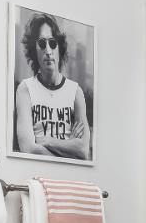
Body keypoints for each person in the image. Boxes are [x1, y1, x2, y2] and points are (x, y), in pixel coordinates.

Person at [13, 12, 91, 160]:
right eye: (42, 44)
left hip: (70, 178)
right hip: (36, 172)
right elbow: (29, 149)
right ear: (34, 50)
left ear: (59, 48)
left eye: (52, 43)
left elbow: (83, 150)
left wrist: (47, 140)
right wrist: (69, 145)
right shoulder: (25, 89)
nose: (48, 51)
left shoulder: (75, 92)